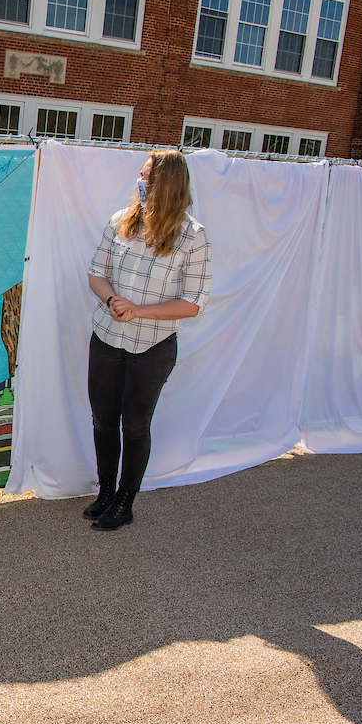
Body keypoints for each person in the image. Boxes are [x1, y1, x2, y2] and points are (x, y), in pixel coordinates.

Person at [83, 149, 212, 531]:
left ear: (166, 184)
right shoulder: (120, 223)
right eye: (139, 174)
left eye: (146, 176)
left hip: (152, 348)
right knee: (103, 419)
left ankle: (125, 501)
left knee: (135, 425)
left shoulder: (194, 237)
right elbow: (95, 273)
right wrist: (111, 300)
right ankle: (106, 493)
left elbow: (193, 303)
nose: (139, 182)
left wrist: (139, 310)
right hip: (107, 338)